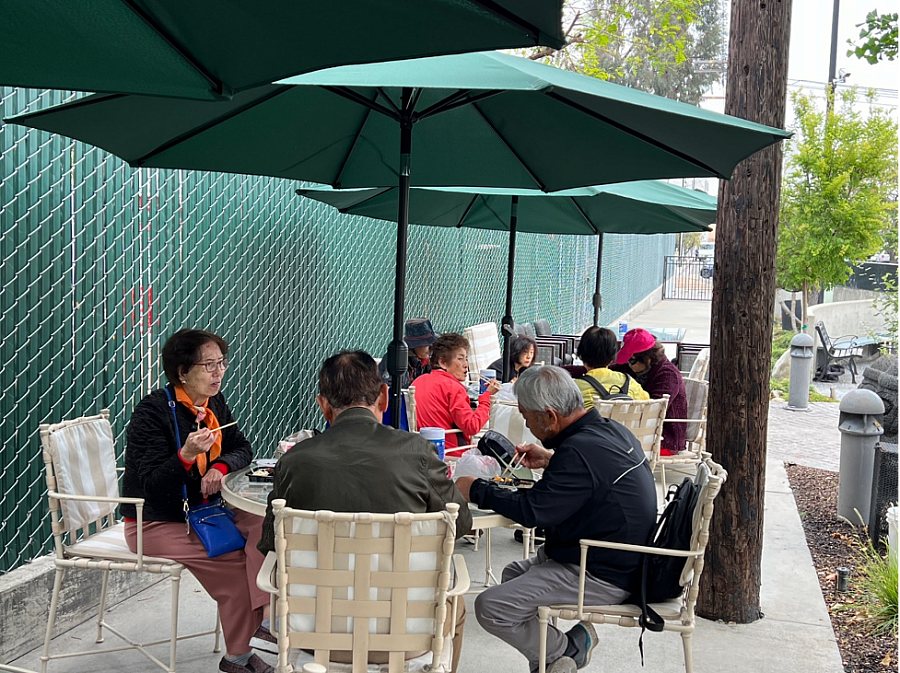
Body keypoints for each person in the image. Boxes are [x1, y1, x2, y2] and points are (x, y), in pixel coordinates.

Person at [258, 350, 472, 671]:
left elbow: (272, 545)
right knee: (456, 603)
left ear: (324, 406)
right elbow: (461, 524)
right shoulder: (417, 452)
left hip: (316, 635)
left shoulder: (294, 461)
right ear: (384, 397)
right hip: (407, 638)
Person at [454, 366, 657, 673]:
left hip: (602, 572)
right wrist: (552, 459)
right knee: (512, 575)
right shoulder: (609, 430)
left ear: (549, 416)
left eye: (526, 415)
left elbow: (533, 511)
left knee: (491, 607)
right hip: (623, 558)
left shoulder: (577, 452)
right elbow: (594, 479)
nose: (525, 421)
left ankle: (566, 649)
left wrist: (476, 488)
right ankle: (551, 658)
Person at [122, 328, 274, 673]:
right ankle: (238, 657)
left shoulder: (212, 402)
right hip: (157, 521)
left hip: (207, 510)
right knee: (235, 562)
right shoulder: (152, 412)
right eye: (208, 365)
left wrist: (220, 466)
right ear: (182, 372)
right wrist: (187, 456)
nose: (218, 372)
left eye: (221, 363)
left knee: (267, 526)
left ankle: (266, 621)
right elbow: (150, 485)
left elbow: (242, 448)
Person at [413, 332, 501, 450]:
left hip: (419, 450)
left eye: (466, 359)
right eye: (460, 359)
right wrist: (487, 397)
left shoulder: (418, 382)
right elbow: (472, 426)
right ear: (443, 362)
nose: (466, 365)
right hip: (450, 454)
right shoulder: (453, 387)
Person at [612, 328, 687, 455]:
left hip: (663, 440)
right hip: (639, 431)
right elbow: (604, 370)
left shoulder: (668, 375)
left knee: (611, 445)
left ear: (648, 359)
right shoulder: (636, 366)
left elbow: (654, 410)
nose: (628, 365)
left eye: (632, 361)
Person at [573, 326, 649, 408]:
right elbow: (647, 405)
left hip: (590, 420)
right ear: (613, 357)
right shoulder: (631, 383)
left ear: (581, 355)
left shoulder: (574, 389)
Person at [378, 317, 438, 389]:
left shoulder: (425, 360)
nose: (430, 349)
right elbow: (389, 387)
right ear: (414, 346)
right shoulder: (396, 360)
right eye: (426, 345)